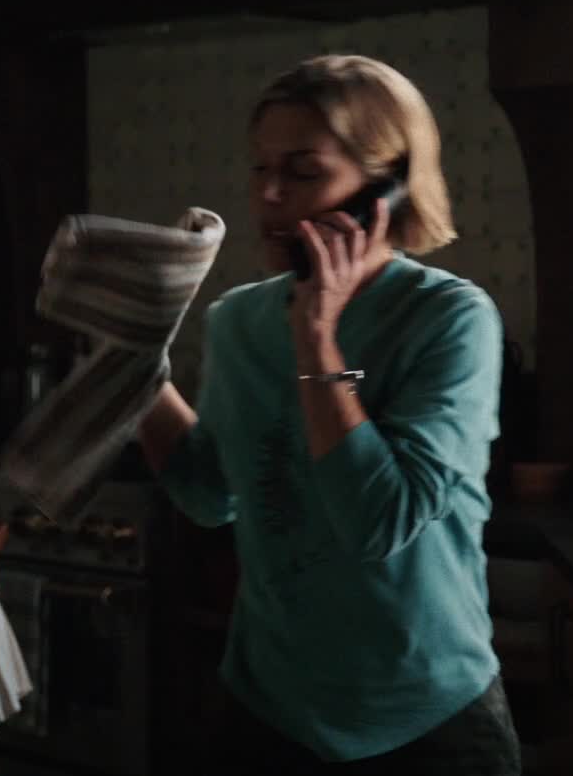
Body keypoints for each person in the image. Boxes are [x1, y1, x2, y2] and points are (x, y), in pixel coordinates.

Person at [136, 54, 522, 775]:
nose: (269, 194)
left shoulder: (451, 319)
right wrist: (134, 366)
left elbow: (381, 522)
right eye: (261, 168)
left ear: (386, 186)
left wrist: (317, 338)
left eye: (304, 172)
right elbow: (210, 495)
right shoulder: (236, 320)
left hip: (424, 718)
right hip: (266, 708)